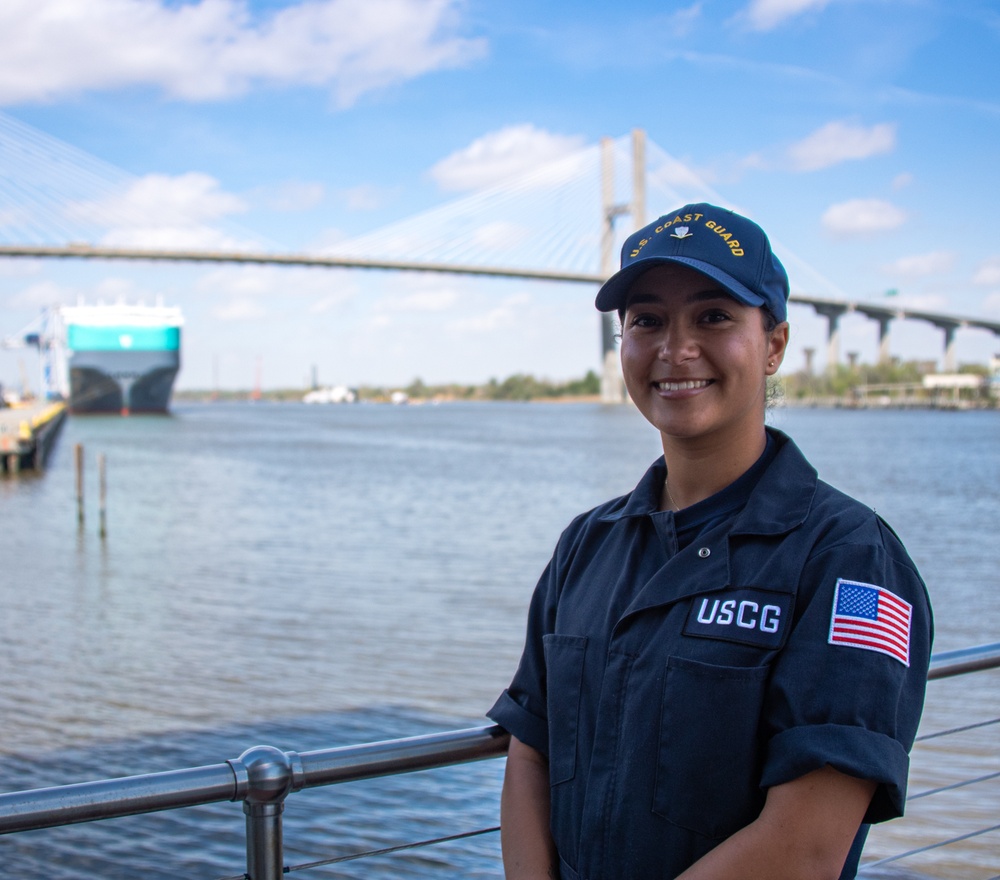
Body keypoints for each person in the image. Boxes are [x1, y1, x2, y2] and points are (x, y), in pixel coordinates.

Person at [488, 203, 933, 880]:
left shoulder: (849, 561)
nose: (676, 348)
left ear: (774, 343)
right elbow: (531, 750)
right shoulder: (587, 544)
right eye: (647, 321)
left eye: (714, 316)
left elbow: (808, 846)